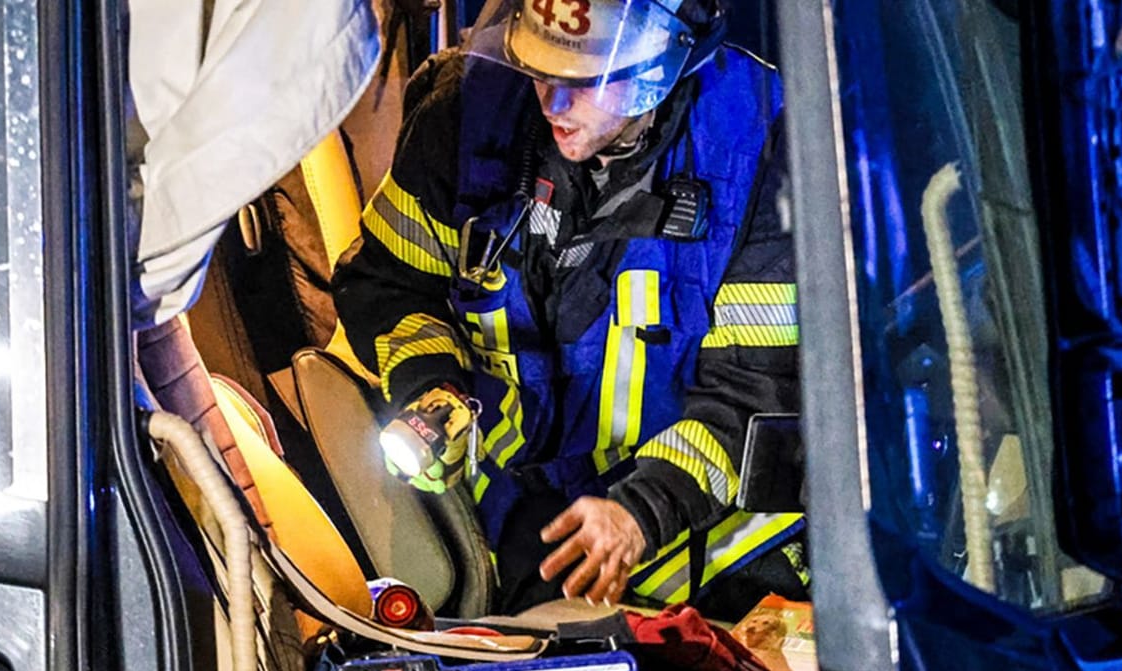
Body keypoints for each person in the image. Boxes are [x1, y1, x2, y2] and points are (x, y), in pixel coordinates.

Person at [333, 0, 809, 617]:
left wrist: (644, 512)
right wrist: (432, 389)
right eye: (540, 68)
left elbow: (753, 393)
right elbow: (390, 285)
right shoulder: (464, 116)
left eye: (583, 81)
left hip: (711, 566)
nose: (551, 103)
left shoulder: (763, 144)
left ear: (661, 66)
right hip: (523, 537)